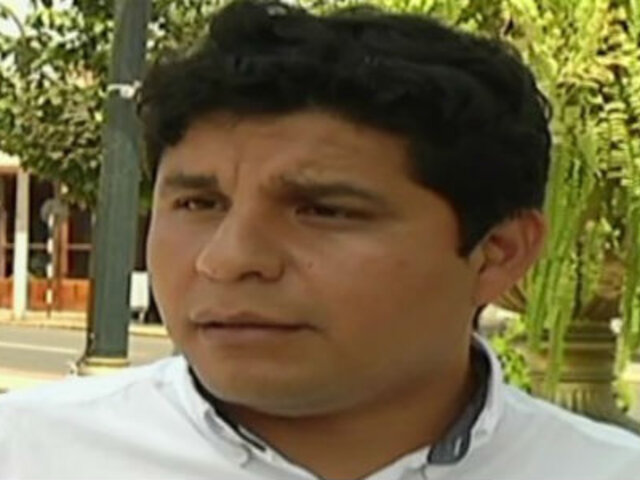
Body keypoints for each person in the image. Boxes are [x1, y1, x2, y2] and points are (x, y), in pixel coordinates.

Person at [1, 1, 639, 478]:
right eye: (198, 204)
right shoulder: (29, 454)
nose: (228, 259)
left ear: (498, 253)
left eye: (323, 211)